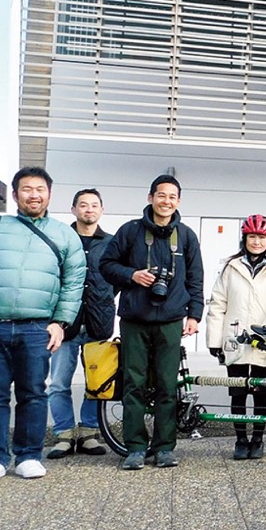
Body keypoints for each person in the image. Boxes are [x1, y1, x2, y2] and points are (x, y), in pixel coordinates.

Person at [0, 167, 86, 483]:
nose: (33, 194)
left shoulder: (65, 235)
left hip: (37, 328)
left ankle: (28, 455)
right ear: (15, 194)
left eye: (40, 189)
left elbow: (74, 282)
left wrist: (60, 322)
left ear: (49, 194)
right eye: (26, 189)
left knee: (34, 393)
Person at [100, 174, 204, 471]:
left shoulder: (185, 236)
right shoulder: (130, 231)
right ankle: (135, 447)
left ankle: (164, 448)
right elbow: (106, 265)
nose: (166, 201)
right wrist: (132, 275)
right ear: (150, 197)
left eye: (172, 197)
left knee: (166, 386)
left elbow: (196, 278)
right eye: (161, 195)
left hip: (171, 320)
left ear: (178, 201)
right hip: (134, 319)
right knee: (134, 384)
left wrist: (194, 314)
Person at [206, 214, 266, 460]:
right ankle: (240, 439)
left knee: (262, 392)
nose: (256, 242)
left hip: (265, 341)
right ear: (244, 238)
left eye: (261, 237)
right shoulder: (230, 267)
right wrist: (214, 340)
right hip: (235, 339)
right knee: (238, 392)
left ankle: (258, 439)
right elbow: (218, 303)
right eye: (252, 237)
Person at [46, 188, 115, 460]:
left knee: (96, 382)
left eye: (94, 205)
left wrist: (104, 300)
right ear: (73, 209)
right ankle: (63, 435)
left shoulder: (112, 243)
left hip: (98, 324)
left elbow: (116, 279)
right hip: (65, 325)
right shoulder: (60, 239)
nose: (89, 209)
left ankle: (88, 433)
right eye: (83, 205)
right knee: (59, 383)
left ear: (101, 210)